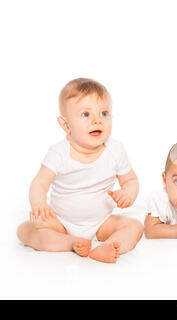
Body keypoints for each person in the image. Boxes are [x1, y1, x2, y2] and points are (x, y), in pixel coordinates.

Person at [16, 78, 143, 263]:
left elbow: (130, 180)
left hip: (102, 222)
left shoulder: (115, 150)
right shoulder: (59, 153)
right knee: (25, 230)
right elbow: (40, 183)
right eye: (86, 114)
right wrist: (39, 204)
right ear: (66, 125)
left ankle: (104, 247)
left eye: (104, 113)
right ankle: (70, 242)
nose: (97, 120)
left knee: (134, 226)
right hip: (61, 222)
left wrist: (128, 194)